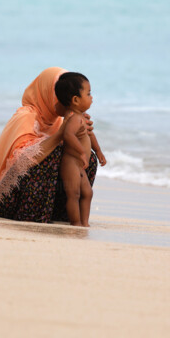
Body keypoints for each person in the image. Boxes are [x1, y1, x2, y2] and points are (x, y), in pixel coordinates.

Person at [0, 67, 98, 223]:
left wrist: (82, 134)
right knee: (52, 155)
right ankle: (33, 214)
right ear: (50, 94)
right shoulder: (26, 116)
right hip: (2, 201)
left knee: (88, 159)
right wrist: (61, 134)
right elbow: (21, 163)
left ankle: (64, 213)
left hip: (31, 195)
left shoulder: (58, 119)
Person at [54, 72, 106, 227]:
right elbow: (68, 134)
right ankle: (76, 222)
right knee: (74, 194)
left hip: (79, 164)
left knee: (87, 193)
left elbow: (90, 135)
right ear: (76, 100)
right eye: (88, 94)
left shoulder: (82, 117)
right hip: (70, 163)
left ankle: (85, 222)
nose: (92, 97)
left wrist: (98, 151)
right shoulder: (74, 118)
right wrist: (82, 152)